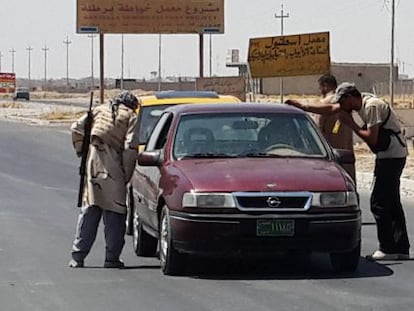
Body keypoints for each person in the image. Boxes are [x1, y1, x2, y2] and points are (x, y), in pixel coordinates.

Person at [293, 82, 410, 260]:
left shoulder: (372, 106)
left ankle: (387, 248)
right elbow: (331, 108)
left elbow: (372, 139)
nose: (341, 106)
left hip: (392, 156)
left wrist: (351, 124)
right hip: (388, 155)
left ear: (350, 98)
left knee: (379, 202)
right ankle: (400, 247)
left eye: (343, 102)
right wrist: (303, 106)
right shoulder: (360, 102)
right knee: (391, 201)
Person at [68, 91, 140, 268]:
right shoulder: (131, 116)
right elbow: (130, 148)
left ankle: (78, 257)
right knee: (115, 213)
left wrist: (82, 152)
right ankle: (112, 258)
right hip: (114, 167)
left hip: (93, 165)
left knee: (90, 210)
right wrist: (126, 175)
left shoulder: (99, 110)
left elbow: (76, 129)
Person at [285, 74, 355, 181]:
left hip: (329, 157)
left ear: (325, 86)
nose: (320, 90)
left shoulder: (322, 104)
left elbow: (316, 132)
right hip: (347, 156)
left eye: (320, 87)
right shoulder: (344, 103)